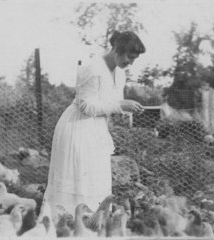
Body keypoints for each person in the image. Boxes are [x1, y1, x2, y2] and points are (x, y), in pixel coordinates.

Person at [44, 30, 146, 215]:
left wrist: (125, 108)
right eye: (129, 57)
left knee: (96, 184)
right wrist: (119, 105)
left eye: (134, 59)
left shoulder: (120, 74)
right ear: (117, 49)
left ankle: (91, 229)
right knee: (79, 185)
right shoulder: (92, 69)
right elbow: (86, 106)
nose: (131, 63)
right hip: (78, 128)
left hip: (96, 131)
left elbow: (110, 104)